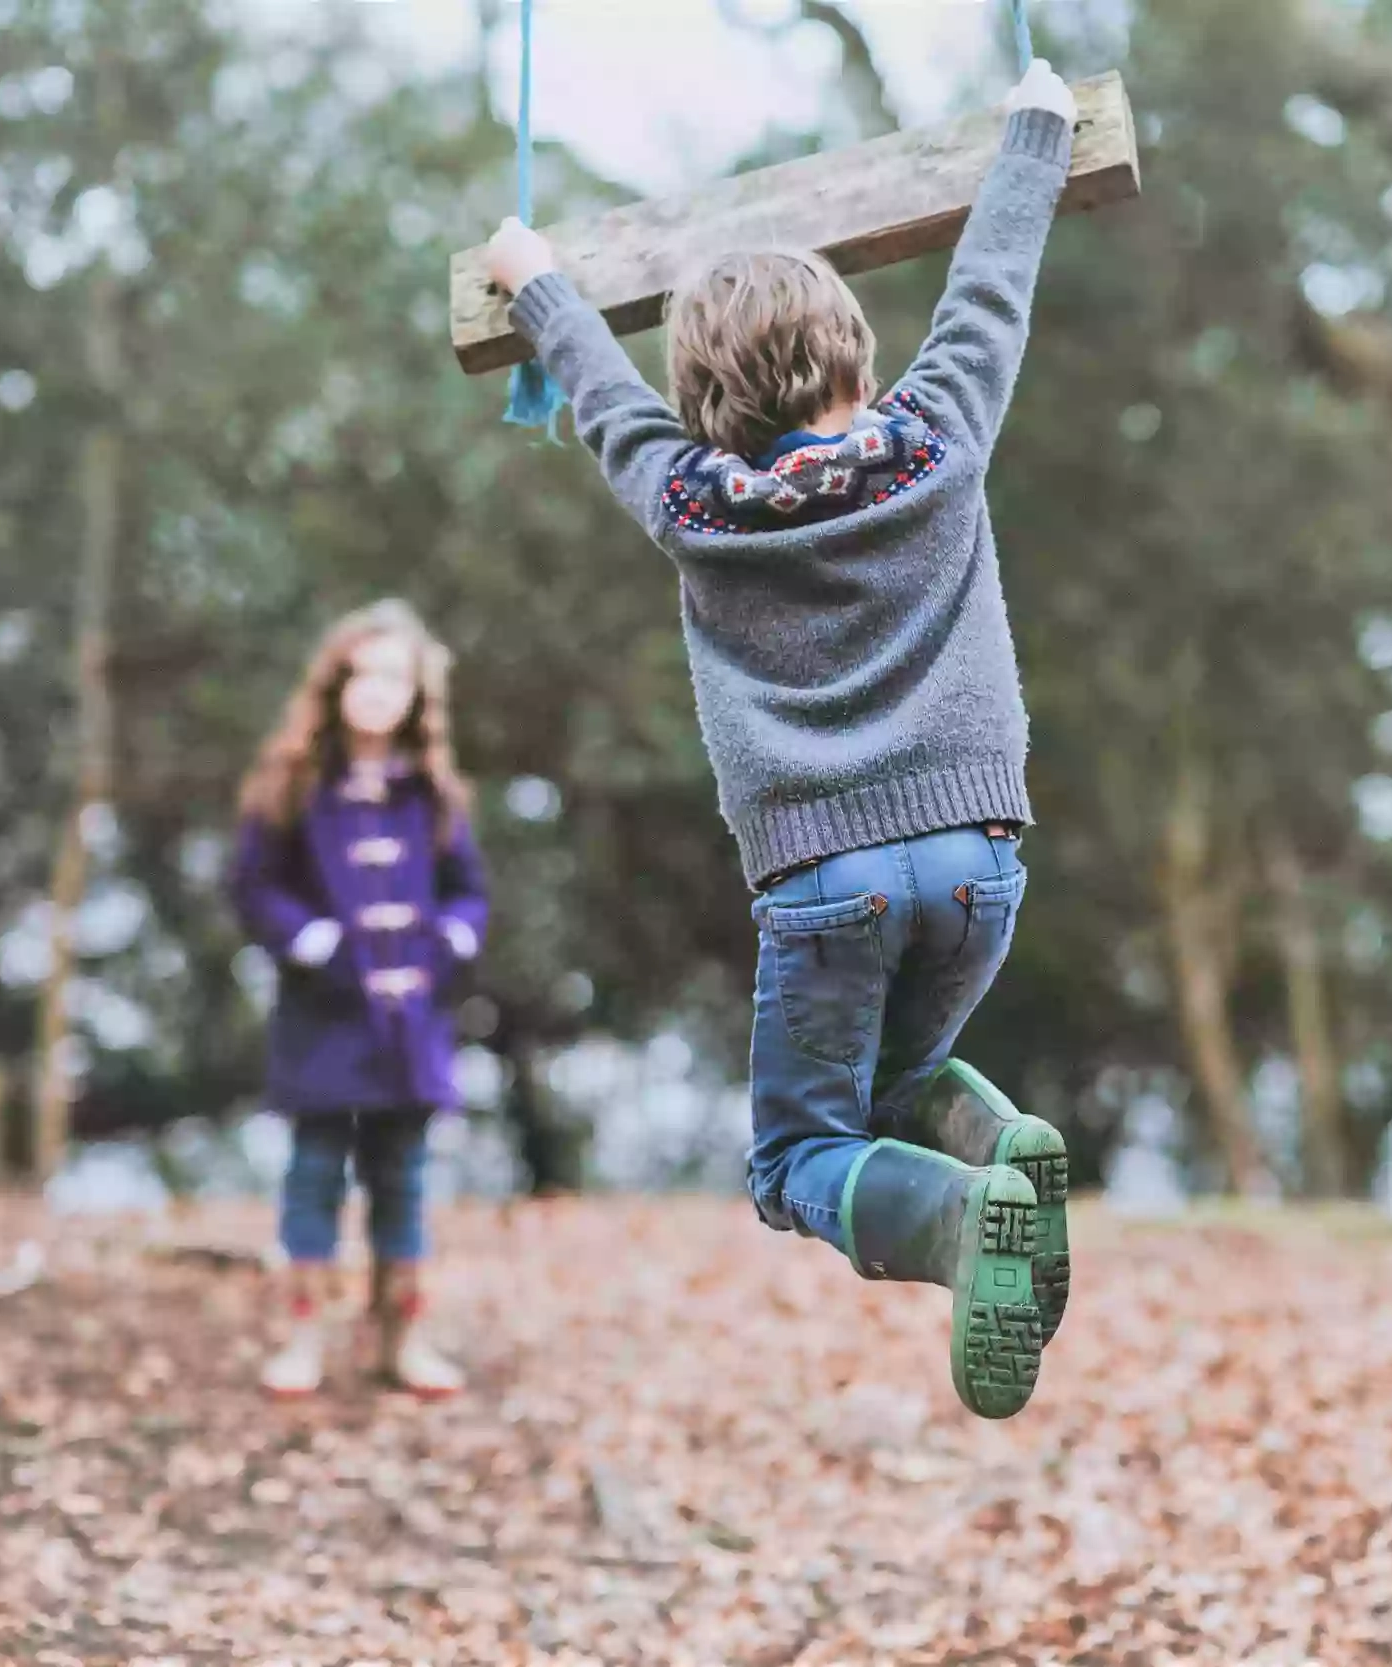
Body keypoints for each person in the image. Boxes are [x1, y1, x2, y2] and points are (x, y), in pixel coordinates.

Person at [481, 63, 1080, 1419]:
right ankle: (1004, 1146)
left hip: (827, 879)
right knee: (903, 1077)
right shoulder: (939, 440)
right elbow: (992, 287)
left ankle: (955, 1222)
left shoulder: (694, 500)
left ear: (708, 397)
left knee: (798, 1153)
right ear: (857, 351)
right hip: (980, 858)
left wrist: (537, 279)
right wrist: (1035, 126)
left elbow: (598, 394)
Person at [229, 600, 488, 1399]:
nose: (379, 692)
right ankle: (303, 1338)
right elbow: (252, 885)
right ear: (335, 685)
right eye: (364, 674)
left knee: (403, 1178)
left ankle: (400, 1339)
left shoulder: (435, 795)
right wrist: (314, 943)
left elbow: (468, 893)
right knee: (313, 1173)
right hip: (323, 1020)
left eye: (396, 678)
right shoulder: (291, 784)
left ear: (418, 696)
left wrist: (450, 940)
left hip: (411, 1025)